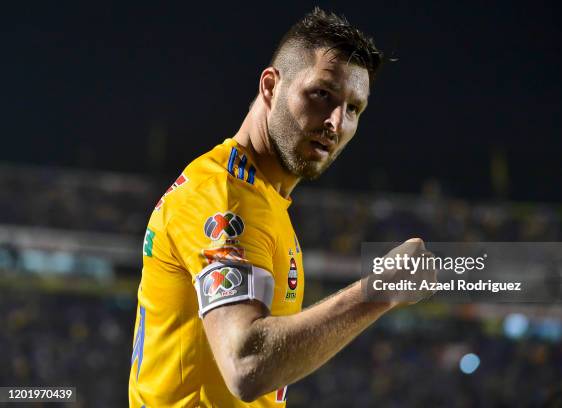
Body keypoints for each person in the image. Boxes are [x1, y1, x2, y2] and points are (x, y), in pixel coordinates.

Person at [129, 8, 435, 407]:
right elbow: (246, 362)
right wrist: (379, 290)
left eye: (354, 109)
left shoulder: (266, 201)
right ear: (271, 86)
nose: (336, 122)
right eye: (322, 94)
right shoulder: (221, 195)